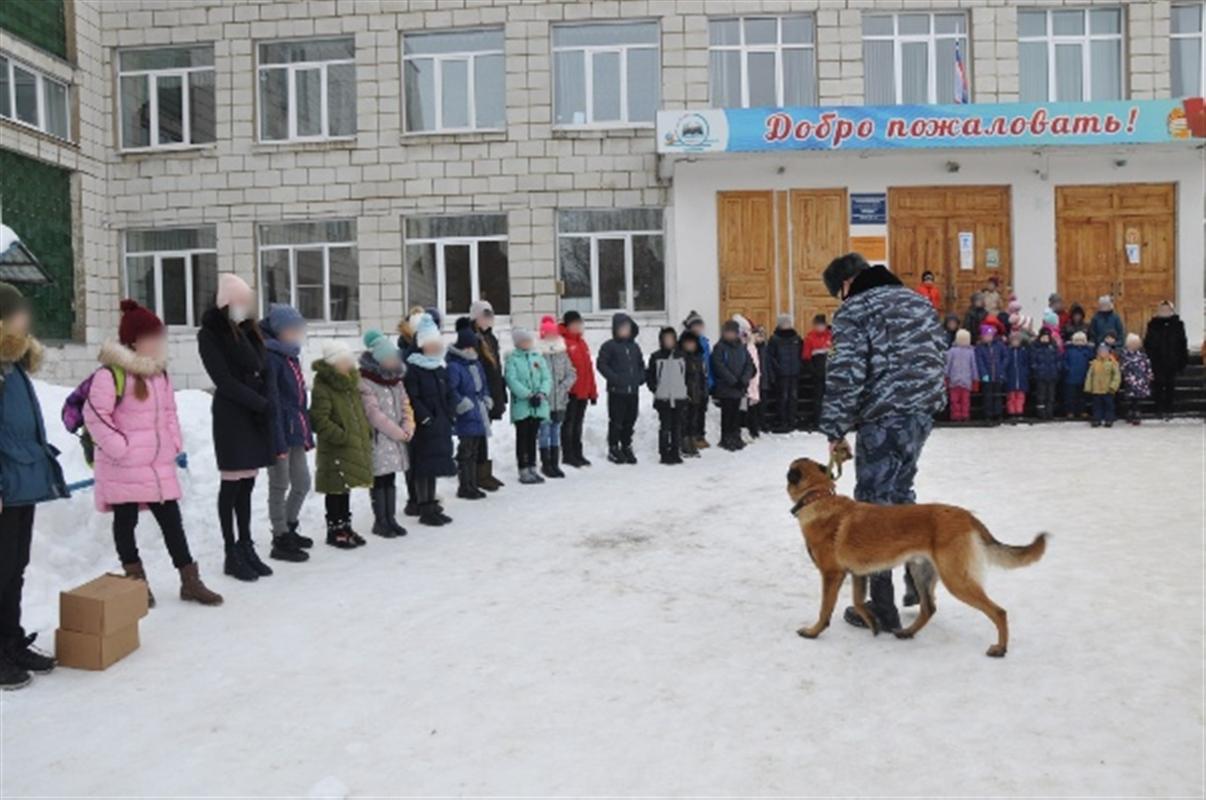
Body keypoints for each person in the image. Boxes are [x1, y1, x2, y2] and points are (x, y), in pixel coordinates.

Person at [818, 253, 946, 633]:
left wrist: (835, 429)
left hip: (885, 414)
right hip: (922, 413)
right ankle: (916, 576)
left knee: (873, 505)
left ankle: (882, 605)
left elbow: (846, 373)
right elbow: (938, 352)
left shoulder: (856, 309)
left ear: (846, 283)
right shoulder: (918, 301)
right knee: (901, 492)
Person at [85, 300, 222, 609]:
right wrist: (122, 448)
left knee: (172, 521)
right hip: (124, 466)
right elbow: (95, 416)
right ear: (134, 340)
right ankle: (137, 583)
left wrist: (173, 442)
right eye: (153, 336)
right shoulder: (111, 375)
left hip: (157, 465)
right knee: (125, 522)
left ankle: (190, 580)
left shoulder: (160, 374)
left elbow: (170, 412)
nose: (159, 342)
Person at [0, 282, 68, 689]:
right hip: (5, 484)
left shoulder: (16, 363)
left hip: (22, 479)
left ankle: (10, 640)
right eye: (18, 311)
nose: (27, 317)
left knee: (15, 567)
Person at [197, 274, 275, 582]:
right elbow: (224, 381)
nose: (245, 307)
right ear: (227, 302)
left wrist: (266, 401)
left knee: (247, 485)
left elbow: (263, 368)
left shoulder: (248, 332)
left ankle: (246, 545)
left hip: (254, 415)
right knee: (231, 485)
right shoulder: (210, 334)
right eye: (240, 301)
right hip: (233, 416)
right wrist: (259, 403)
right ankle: (231, 551)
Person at [261, 303, 313, 563]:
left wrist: (306, 431)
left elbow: (299, 401)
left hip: (295, 430)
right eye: (292, 329)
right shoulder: (271, 357)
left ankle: (290, 526)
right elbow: (274, 401)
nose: (296, 333)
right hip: (279, 432)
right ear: (280, 330)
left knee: (302, 482)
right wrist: (277, 438)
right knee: (279, 484)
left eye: (298, 329)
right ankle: (279, 537)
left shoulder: (290, 355)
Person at [310, 341, 373, 548]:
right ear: (333, 363)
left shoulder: (350, 384)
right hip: (335, 449)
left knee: (345, 488)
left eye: (349, 360)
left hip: (350, 446)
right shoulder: (323, 386)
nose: (349, 364)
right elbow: (319, 419)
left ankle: (345, 526)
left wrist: (365, 431)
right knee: (334, 489)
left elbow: (358, 413)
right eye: (344, 361)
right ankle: (334, 530)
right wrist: (342, 436)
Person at [404, 314, 457, 525]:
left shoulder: (439, 367)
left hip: (441, 423)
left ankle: (432, 504)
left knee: (434, 466)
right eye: (430, 344)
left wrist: (450, 410)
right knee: (423, 467)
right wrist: (425, 417)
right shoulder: (413, 368)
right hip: (425, 426)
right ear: (421, 345)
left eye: (436, 344)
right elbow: (412, 397)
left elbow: (449, 392)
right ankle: (423, 506)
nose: (434, 348)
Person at [359, 330, 413, 537]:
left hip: (397, 439)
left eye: (394, 358)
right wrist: (397, 432)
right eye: (389, 358)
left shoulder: (396, 381)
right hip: (379, 440)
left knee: (390, 479)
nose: (393, 361)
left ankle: (391, 518)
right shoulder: (365, 382)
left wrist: (408, 427)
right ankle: (380, 521)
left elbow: (406, 404)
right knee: (379, 479)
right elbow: (373, 414)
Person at [446, 318, 492, 499]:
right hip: (466, 413)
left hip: (478, 411)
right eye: (470, 347)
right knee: (465, 451)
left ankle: (473, 483)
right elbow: (451, 389)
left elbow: (484, 384)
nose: (473, 350)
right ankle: (464, 485)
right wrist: (462, 404)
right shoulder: (455, 366)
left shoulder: (476, 363)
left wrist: (487, 397)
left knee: (474, 450)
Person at [505, 327, 552, 484]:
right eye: (524, 340)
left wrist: (541, 393)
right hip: (522, 405)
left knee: (533, 437)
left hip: (538, 404)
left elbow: (546, 377)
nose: (528, 343)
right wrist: (527, 394)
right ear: (518, 343)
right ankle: (523, 468)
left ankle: (533, 466)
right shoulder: (512, 359)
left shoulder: (537, 357)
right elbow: (511, 380)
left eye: (529, 340)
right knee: (523, 437)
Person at [596, 312, 644, 464]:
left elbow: (641, 365)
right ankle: (613, 447)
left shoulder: (635, 347)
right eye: (621, 327)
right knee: (617, 420)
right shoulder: (609, 346)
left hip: (633, 391)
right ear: (615, 329)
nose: (625, 330)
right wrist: (615, 379)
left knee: (630, 419)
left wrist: (640, 379)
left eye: (627, 327)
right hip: (617, 391)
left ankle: (626, 445)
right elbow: (601, 364)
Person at [469, 300, 506, 491]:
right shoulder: (472, 338)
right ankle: (474, 475)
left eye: (490, 315)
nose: (489, 319)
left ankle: (484, 472)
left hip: (492, 391)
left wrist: (500, 392)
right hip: (479, 394)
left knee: (485, 432)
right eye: (485, 315)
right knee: (477, 434)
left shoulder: (491, 338)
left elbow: (495, 368)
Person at [536, 316, 576, 479]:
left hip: (559, 399)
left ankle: (555, 462)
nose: (551, 337)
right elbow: (535, 376)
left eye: (554, 334)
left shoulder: (562, 353)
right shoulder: (539, 354)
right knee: (544, 431)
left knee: (555, 430)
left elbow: (571, 373)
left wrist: (563, 386)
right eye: (548, 334)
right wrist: (542, 390)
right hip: (544, 400)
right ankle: (546, 463)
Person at [646, 327, 688, 465]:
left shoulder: (681, 356)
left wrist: (684, 390)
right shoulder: (656, 356)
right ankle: (664, 453)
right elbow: (650, 376)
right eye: (666, 339)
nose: (669, 341)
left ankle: (675, 451)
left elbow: (687, 375)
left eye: (671, 338)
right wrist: (656, 389)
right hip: (663, 398)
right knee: (665, 426)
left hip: (679, 397)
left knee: (677, 426)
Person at [710, 320, 754, 451]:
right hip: (726, 387)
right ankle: (726, 438)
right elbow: (719, 366)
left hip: (739, 387)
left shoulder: (742, 347)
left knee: (737, 413)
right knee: (727, 413)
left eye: (732, 332)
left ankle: (736, 436)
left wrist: (744, 380)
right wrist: (732, 380)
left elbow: (749, 364)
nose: (730, 335)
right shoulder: (719, 347)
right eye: (727, 332)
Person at [560, 310, 596, 467]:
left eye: (580, 323)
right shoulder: (562, 342)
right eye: (575, 323)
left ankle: (578, 452)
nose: (578, 326)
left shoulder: (582, 343)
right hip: (570, 392)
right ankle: (568, 454)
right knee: (568, 423)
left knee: (578, 423)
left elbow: (588, 369)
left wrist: (592, 392)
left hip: (583, 391)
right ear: (568, 325)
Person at [1143, 301, 1189, 418]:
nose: (1164, 311)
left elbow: (1182, 342)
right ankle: (1158, 408)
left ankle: (1169, 408)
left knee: (1170, 385)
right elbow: (1148, 342)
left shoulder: (1178, 324)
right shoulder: (1153, 324)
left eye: (1167, 309)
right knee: (1158, 384)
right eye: (1162, 309)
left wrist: (1183, 360)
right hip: (1157, 361)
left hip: (1173, 360)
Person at [765, 314, 803, 432]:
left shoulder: (796, 338)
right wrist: (777, 369)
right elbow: (770, 357)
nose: (786, 324)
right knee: (782, 397)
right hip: (781, 374)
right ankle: (782, 421)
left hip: (794, 372)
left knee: (793, 396)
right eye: (784, 322)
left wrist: (799, 365)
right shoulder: (774, 339)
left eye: (788, 322)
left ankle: (792, 420)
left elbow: (801, 354)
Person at [681, 311, 713, 449]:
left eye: (700, 325)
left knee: (701, 411)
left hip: (703, 381)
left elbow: (708, 363)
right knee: (691, 412)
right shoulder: (685, 341)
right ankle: (690, 437)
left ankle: (700, 435)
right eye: (695, 326)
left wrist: (710, 381)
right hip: (691, 382)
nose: (698, 328)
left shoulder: (705, 342)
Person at [678, 330, 707, 458]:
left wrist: (703, 391)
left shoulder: (698, 357)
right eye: (687, 343)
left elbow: (702, 376)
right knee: (684, 419)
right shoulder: (680, 357)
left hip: (697, 394)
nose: (690, 345)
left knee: (693, 419)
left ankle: (691, 440)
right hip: (684, 394)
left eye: (692, 343)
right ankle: (683, 442)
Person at [802, 314, 832, 431]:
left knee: (831, 398)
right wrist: (813, 371)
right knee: (818, 398)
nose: (819, 328)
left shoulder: (831, 336)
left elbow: (836, 352)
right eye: (817, 325)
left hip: (830, 372)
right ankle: (818, 421)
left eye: (821, 325)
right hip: (817, 372)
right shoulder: (810, 337)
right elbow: (806, 356)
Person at [1119, 333, 1154, 426]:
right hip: (1130, 378)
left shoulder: (1142, 354)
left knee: (1138, 397)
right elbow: (1122, 366)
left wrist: (1149, 374)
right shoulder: (1124, 354)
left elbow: (1147, 364)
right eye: (1132, 343)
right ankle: (1130, 412)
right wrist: (1125, 375)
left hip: (1140, 378)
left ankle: (1137, 412)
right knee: (1130, 397)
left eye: (1136, 343)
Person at [1084, 342, 1121, 427]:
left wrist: (1113, 386)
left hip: (1108, 389)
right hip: (1096, 389)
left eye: (1104, 351)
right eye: (1101, 351)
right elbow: (1090, 375)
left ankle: (1109, 419)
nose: (1102, 353)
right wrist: (1088, 387)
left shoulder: (1112, 363)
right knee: (1097, 406)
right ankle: (1097, 419)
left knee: (1109, 406)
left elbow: (1116, 376)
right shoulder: (1094, 363)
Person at [975, 324, 1007, 422]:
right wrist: (984, 373)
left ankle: (998, 414)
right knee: (987, 397)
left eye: (990, 335)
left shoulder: (999, 345)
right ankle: (988, 414)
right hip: (987, 377)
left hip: (997, 375)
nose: (988, 337)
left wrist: (1001, 369)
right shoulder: (980, 348)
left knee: (997, 396)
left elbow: (1005, 357)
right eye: (986, 335)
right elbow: (979, 362)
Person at [944, 329, 977, 422]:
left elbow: (973, 366)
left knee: (965, 400)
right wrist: (946, 376)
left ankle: (965, 415)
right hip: (954, 381)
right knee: (954, 400)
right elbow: (948, 365)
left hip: (966, 381)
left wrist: (975, 378)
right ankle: (955, 415)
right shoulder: (952, 351)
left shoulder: (971, 352)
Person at [1029, 327, 1062, 420]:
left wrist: (1057, 368)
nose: (1045, 339)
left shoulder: (1053, 347)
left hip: (1052, 375)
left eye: (1047, 337)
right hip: (1040, 375)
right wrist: (1036, 369)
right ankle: (1041, 414)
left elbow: (1058, 359)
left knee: (1051, 395)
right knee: (1041, 396)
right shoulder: (1035, 347)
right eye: (1043, 337)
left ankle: (1050, 413)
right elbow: (1032, 360)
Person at [1062, 331, 1094, 418]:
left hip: (1083, 377)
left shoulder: (1088, 351)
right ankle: (1070, 411)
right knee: (1070, 396)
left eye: (1082, 340)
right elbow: (1064, 361)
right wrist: (1067, 369)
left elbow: (1091, 361)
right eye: (1077, 340)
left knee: (1082, 396)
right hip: (1070, 377)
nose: (1079, 342)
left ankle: (1082, 411)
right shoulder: (1069, 351)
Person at [1003, 330, 1031, 420]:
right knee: (1011, 396)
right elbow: (1006, 364)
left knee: (1020, 396)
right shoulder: (1008, 351)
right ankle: (1011, 412)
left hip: (1021, 377)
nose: (1015, 342)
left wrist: (1026, 372)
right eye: (1013, 340)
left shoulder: (1023, 351)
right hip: (1011, 377)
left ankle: (1019, 412)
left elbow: (1026, 363)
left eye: (1017, 340)